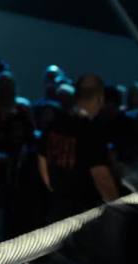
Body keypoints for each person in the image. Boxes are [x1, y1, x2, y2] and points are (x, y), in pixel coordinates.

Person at [39, 74, 119, 222]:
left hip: (55, 208)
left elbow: (42, 160)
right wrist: (118, 210)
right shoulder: (92, 132)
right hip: (82, 214)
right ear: (99, 99)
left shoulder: (54, 125)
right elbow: (101, 177)